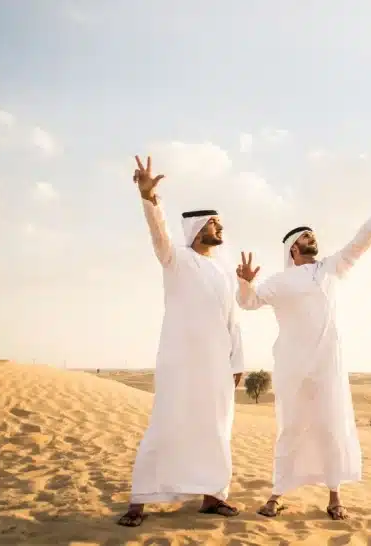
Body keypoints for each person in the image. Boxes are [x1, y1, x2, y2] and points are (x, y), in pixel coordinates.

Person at [235, 190, 371, 521]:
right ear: (294, 247)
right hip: (293, 366)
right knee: (292, 428)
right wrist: (245, 284)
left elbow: (360, 243)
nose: (314, 239)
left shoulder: (329, 269)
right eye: (308, 236)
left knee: (330, 426)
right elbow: (248, 303)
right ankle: (277, 494)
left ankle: (335, 496)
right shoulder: (279, 281)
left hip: (327, 364)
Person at [117, 155, 246, 527]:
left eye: (220, 224)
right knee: (167, 424)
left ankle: (213, 496)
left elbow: (232, 321)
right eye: (214, 224)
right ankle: (139, 500)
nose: (219, 229)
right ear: (197, 229)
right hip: (180, 362)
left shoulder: (222, 271)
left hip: (217, 366)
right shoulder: (177, 259)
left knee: (217, 429)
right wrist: (149, 199)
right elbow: (159, 234)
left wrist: (237, 363)